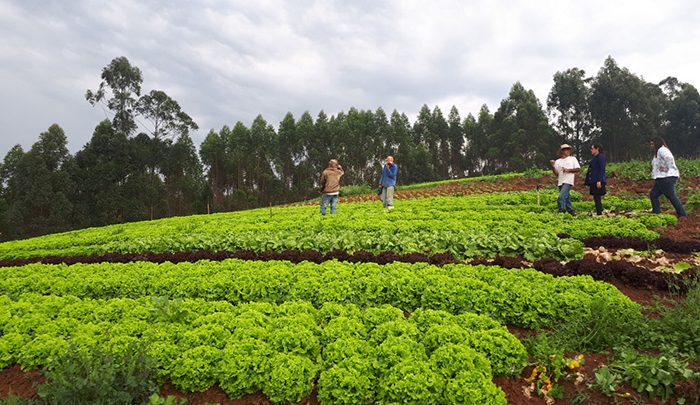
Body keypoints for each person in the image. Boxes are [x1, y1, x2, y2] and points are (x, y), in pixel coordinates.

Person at [649, 137, 686, 217]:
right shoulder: (658, 152)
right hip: (662, 178)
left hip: (666, 177)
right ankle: (656, 213)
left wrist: (666, 168)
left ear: (657, 143)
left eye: (652, 144)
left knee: (671, 196)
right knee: (653, 195)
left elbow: (669, 158)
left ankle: (682, 214)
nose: (651, 146)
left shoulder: (662, 150)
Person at [549, 144, 580, 215]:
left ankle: (561, 210)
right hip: (560, 181)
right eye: (566, 149)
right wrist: (553, 166)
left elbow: (578, 169)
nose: (568, 151)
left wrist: (568, 170)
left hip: (568, 181)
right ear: (562, 151)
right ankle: (571, 211)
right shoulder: (558, 161)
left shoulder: (573, 159)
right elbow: (556, 173)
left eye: (569, 149)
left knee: (561, 197)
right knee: (566, 197)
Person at [584, 144, 607, 215]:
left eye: (592, 148)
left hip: (597, 181)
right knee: (596, 197)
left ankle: (599, 213)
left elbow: (601, 169)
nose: (591, 150)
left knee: (597, 197)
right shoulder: (595, 158)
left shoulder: (600, 157)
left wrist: (599, 180)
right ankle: (599, 211)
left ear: (597, 149)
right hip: (593, 180)